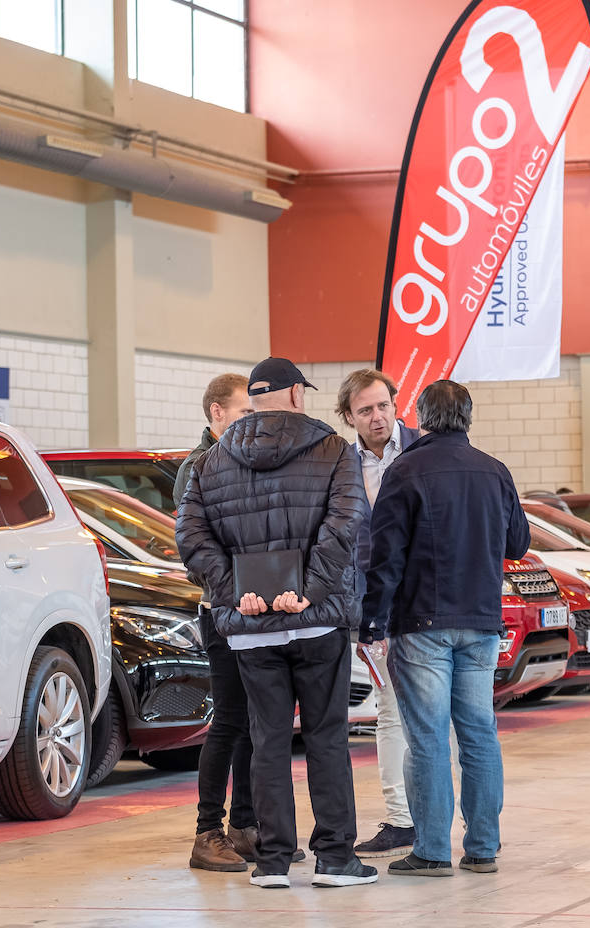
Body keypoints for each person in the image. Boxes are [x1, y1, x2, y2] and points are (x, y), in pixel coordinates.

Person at [176, 356, 376, 889]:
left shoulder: (209, 462)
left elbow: (191, 539)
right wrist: (307, 593)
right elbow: (346, 525)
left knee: (266, 740)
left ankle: (272, 863)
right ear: (293, 395)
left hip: (248, 628)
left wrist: (236, 592)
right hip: (317, 623)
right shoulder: (334, 449)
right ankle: (335, 858)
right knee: (326, 737)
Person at [360, 380, 530, 877]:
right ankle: (482, 848)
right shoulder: (495, 471)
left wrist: (372, 621)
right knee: (479, 734)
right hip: (480, 622)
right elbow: (517, 543)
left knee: (428, 738)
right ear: (469, 418)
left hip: (421, 624)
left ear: (422, 417)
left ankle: (432, 851)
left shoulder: (405, 469)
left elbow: (385, 555)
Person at [173, 373, 269, 873]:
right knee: (229, 721)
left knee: (254, 723)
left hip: (254, 611)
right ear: (216, 413)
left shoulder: (245, 462)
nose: (252, 421)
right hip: (223, 612)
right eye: (244, 412)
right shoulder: (198, 468)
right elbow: (197, 551)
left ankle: (246, 828)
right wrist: (238, 586)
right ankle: (207, 832)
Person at [335, 368, 420, 859]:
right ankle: (401, 819)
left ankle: (432, 813)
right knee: (389, 712)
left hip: (428, 602)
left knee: (435, 715)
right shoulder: (340, 466)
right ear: (349, 416)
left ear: (396, 403)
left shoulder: (422, 451)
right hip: (375, 607)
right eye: (365, 410)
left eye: (383, 405)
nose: (377, 417)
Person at [173, 373, 253, 505]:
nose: (255, 419)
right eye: (247, 412)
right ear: (217, 412)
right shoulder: (197, 468)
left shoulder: (249, 459)